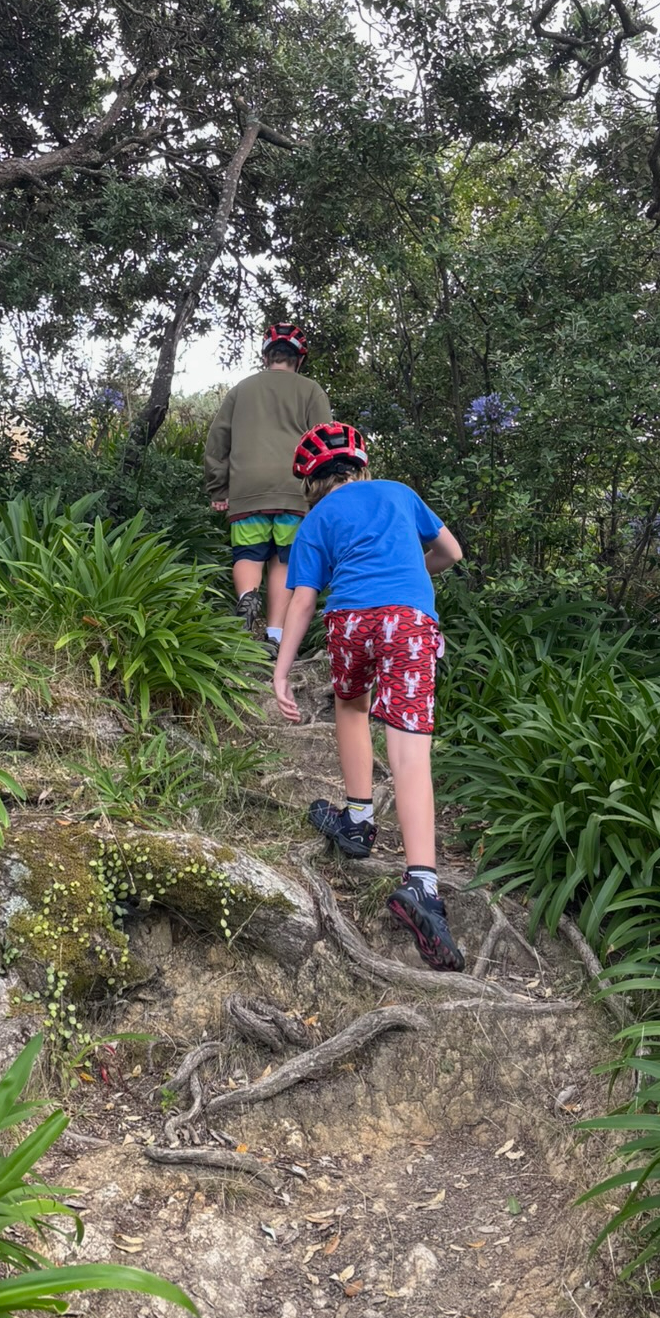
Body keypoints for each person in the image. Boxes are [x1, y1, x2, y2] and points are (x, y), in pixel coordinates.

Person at [272, 422, 466, 970]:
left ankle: (358, 820)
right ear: (361, 467)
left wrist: (281, 673)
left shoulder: (314, 522)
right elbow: (450, 551)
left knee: (350, 707)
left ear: (312, 481)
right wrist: (412, 576)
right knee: (410, 752)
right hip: (408, 622)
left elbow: (303, 603)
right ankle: (423, 886)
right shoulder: (400, 494)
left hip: (350, 621)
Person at [204, 324, 331, 650]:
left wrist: (219, 490)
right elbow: (323, 442)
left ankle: (248, 596)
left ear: (266, 356)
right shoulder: (311, 390)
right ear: (298, 359)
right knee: (284, 560)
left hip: (248, 489)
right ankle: (274, 635)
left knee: (248, 552)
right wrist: (324, 491)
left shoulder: (241, 390)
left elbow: (217, 441)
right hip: (294, 489)